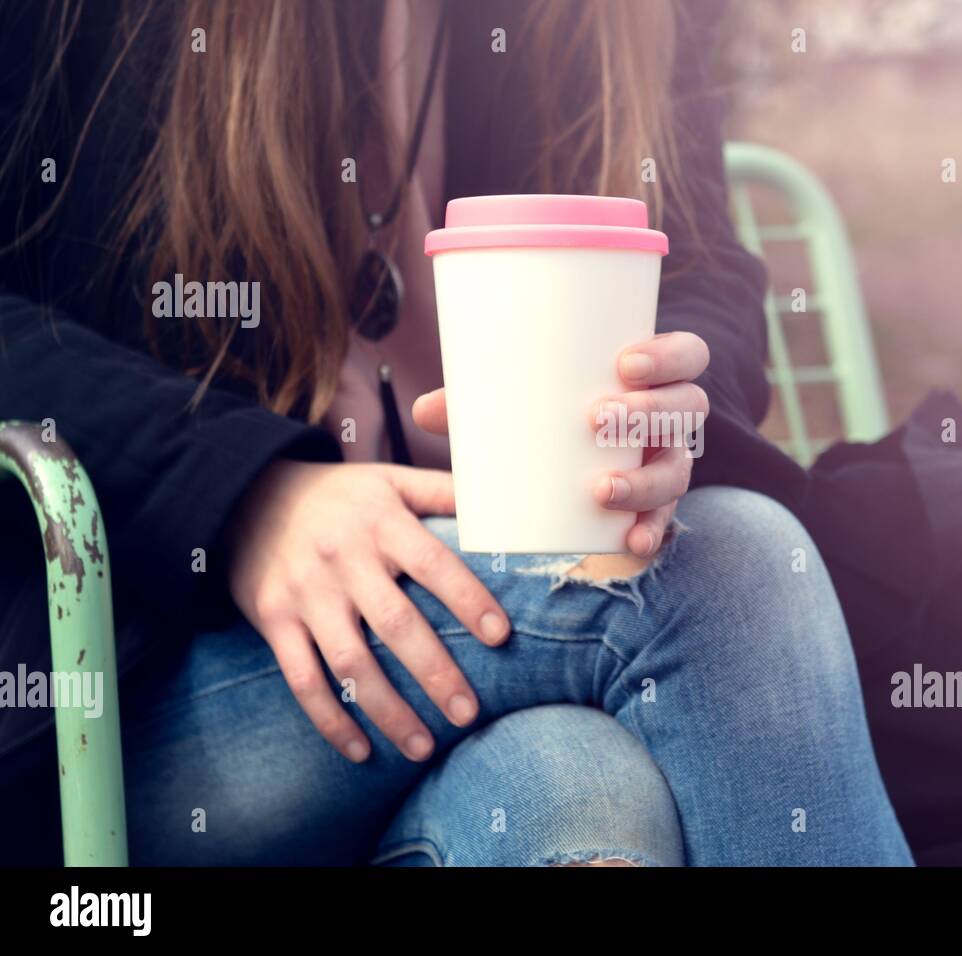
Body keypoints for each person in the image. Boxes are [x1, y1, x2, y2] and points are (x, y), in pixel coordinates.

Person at [0, 0, 912, 866]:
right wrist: (238, 494)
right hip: (145, 688)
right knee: (727, 571)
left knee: (577, 790)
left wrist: (668, 391)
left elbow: (700, 260)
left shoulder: (610, 22)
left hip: (498, 643)